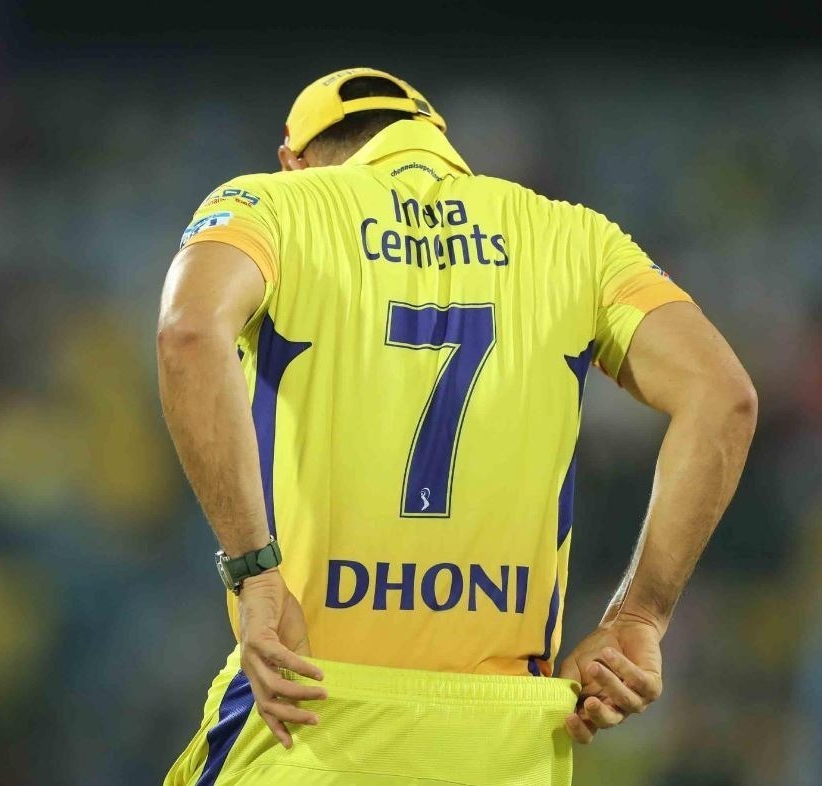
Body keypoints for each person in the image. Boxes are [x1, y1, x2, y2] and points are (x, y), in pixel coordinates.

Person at [156, 67, 756, 786]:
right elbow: (723, 396)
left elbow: (188, 332)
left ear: (294, 160)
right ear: (441, 146)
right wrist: (640, 617)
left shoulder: (271, 205)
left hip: (307, 710)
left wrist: (254, 573)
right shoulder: (575, 237)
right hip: (507, 743)